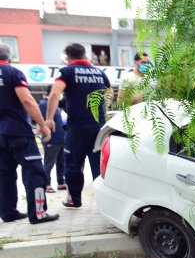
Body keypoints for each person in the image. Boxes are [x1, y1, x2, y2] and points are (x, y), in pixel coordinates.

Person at [46, 43, 112, 208]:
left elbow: (55, 93)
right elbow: (109, 93)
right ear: (85, 55)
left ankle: (74, 199)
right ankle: (105, 203)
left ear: (68, 58)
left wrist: (49, 119)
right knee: (99, 164)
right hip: (99, 127)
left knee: (73, 163)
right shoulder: (99, 72)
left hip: (77, 127)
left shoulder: (66, 72)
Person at [0, 42, 59, 224]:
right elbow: (27, 100)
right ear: (8, 58)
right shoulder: (12, 73)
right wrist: (43, 124)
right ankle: (38, 213)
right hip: (18, 133)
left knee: (4, 174)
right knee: (35, 173)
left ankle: (8, 213)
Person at [38, 85, 66, 192]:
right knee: (49, 163)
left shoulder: (56, 104)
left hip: (60, 138)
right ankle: (46, 184)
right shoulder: (44, 103)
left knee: (61, 162)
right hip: (51, 139)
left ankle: (61, 182)